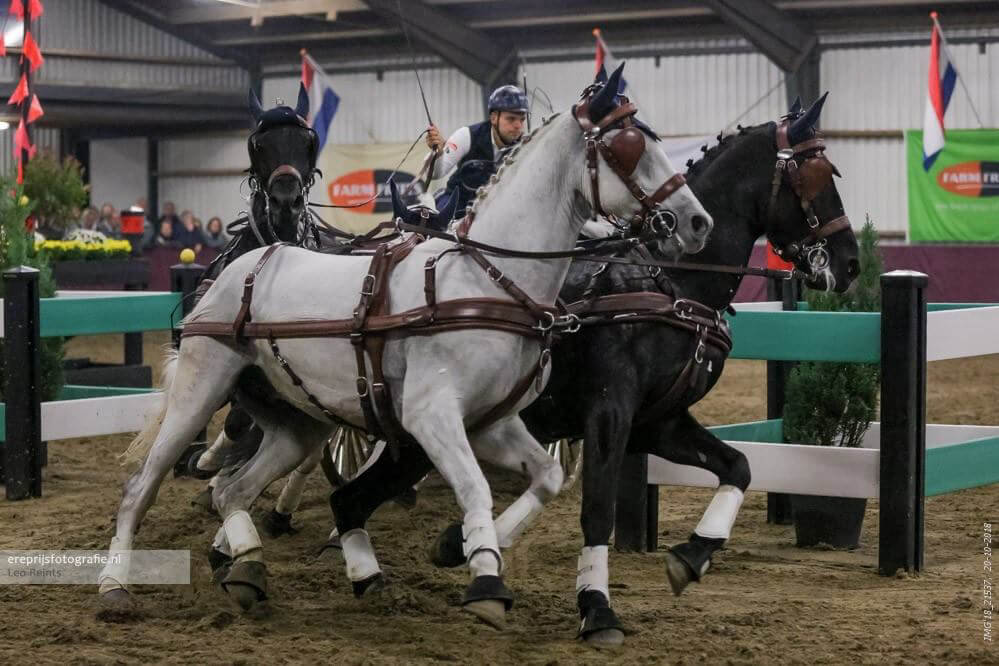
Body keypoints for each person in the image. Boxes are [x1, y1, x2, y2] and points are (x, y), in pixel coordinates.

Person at [423, 84, 528, 224]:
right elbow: (436, 174)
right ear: (494, 118)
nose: (518, 126)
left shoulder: (525, 147)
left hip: (499, 214)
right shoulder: (467, 135)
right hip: (457, 208)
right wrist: (438, 153)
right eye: (511, 119)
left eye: (522, 119)